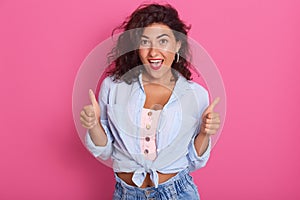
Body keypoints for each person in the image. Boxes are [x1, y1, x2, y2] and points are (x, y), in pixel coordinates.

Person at [80, 3, 221, 200]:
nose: (154, 52)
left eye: (163, 42)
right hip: (126, 194)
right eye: (145, 42)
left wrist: (205, 134)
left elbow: (194, 162)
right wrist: (94, 125)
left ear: (178, 44)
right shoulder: (113, 87)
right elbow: (105, 151)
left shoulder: (196, 95)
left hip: (178, 193)